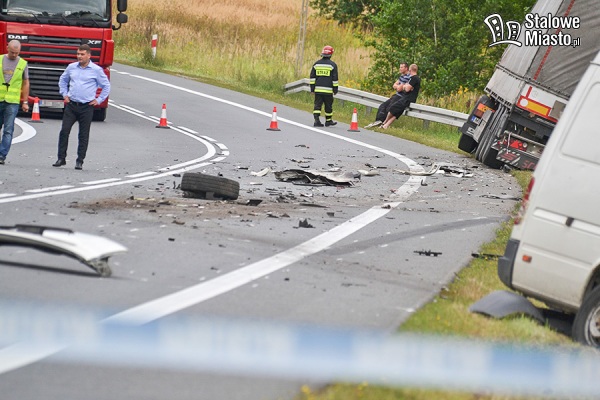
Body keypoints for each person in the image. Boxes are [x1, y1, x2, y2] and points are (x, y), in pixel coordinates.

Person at [53, 44, 110, 170]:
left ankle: (80, 160)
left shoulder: (96, 70)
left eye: (82, 54)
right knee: (64, 131)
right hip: (72, 105)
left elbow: (106, 86)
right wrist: (64, 94)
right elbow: (63, 80)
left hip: (86, 106)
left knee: (83, 134)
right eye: (78, 54)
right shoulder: (72, 67)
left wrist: (99, 100)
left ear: (89, 55)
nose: (79, 56)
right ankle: (61, 158)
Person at [0, 40, 30, 165]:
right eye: (12, 52)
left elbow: (26, 83)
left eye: (16, 53)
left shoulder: (23, 63)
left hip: (12, 102)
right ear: (7, 48)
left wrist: (25, 101)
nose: (14, 55)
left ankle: (2, 155)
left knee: (8, 129)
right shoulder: (0, 59)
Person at [364, 62, 410, 129]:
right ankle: (378, 120)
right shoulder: (402, 76)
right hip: (396, 95)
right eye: (400, 67)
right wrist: (398, 86)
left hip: (400, 97)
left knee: (389, 108)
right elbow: (394, 85)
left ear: (406, 68)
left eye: (401, 67)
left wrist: (398, 86)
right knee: (383, 106)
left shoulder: (409, 77)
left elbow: (399, 89)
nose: (400, 69)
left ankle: (383, 123)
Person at [381, 64, 420, 129]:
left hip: (408, 98)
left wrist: (404, 86)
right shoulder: (414, 78)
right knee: (398, 111)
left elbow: (407, 89)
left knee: (393, 108)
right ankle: (386, 125)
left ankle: (384, 122)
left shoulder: (414, 78)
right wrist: (406, 86)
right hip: (407, 98)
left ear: (410, 70)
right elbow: (408, 87)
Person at [310, 45, 339, 127]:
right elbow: (335, 79)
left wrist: (312, 89)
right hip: (328, 90)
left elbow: (312, 77)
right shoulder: (332, 65)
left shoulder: (316, 64)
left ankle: (316, 120)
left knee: (317, 105)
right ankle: (328, 121)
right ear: (331, 54)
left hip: (318, 90)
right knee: (328, 106)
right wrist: (335, 89)